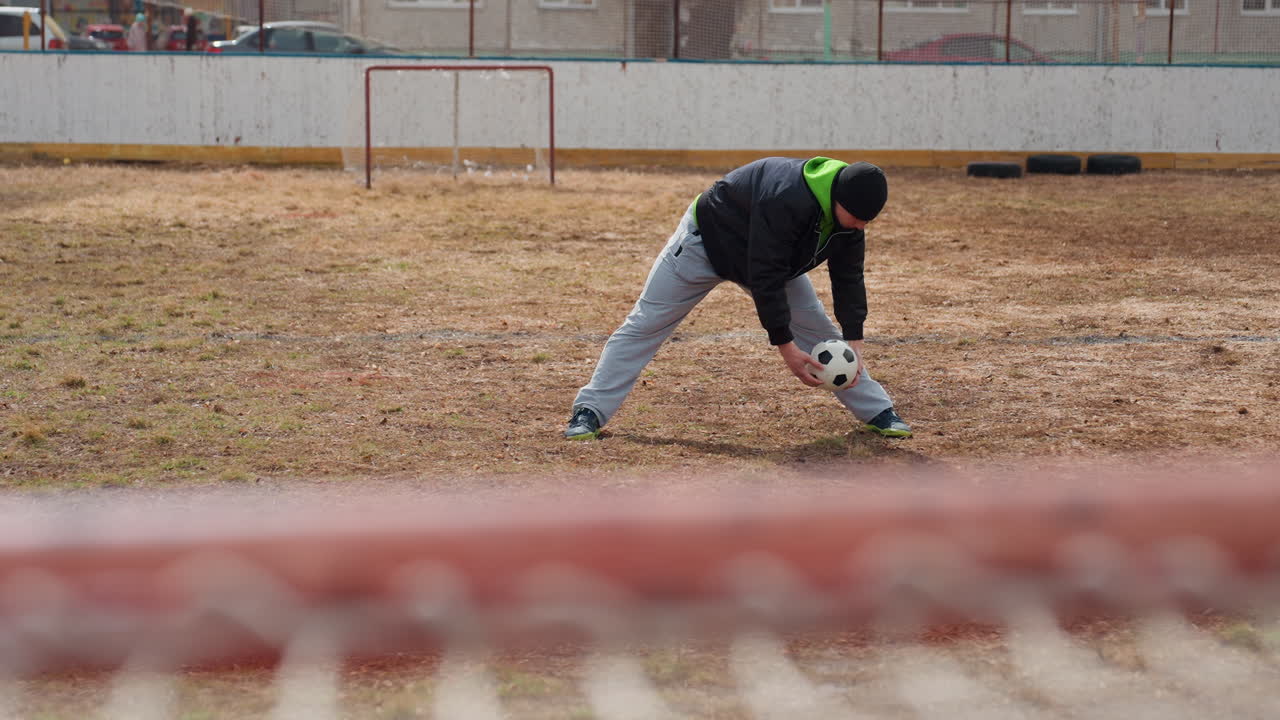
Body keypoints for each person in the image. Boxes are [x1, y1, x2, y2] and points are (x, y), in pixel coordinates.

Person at [564, 157, 913, 441]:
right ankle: (589, 411)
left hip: (770, 261)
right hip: (704, 244)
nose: (862, 226)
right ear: (838, 201)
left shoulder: (851, 218)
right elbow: (765, 272)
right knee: (645, 325)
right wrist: (786, 347)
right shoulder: (786, 197)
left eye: (869, 220)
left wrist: (854, 340)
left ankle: (877, 411)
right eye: (858, 218)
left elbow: (848, 277)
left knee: (821, 330)